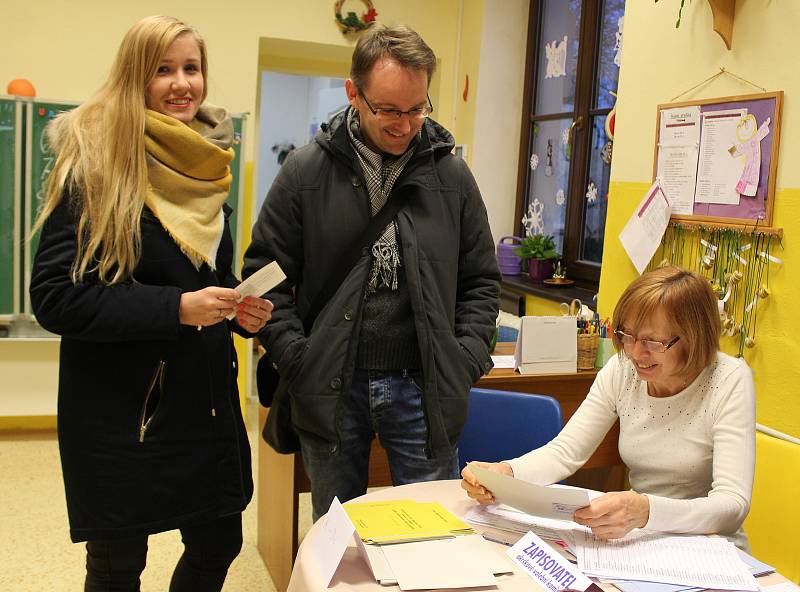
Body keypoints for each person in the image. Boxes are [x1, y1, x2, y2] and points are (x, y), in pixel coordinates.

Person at [29, 15, 272, 591]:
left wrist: (236, 310)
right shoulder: (94, 164)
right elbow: (55, 297)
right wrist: (177, 309)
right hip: (124, 414)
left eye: (191, 68)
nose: (181, 83)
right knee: (117, 566)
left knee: (219, 542)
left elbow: (202, 273)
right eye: (162, 70)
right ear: (134, 77)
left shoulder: (209, 163)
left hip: (205, 402)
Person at [243, 24, 500, 521]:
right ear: (353, 94)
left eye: (417, 108)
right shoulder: (305, 172)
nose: (404, 125)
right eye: (387, 110)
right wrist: (299, 358)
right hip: (333, 385)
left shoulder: (451, 176)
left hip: (423, 385)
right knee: (339, 537)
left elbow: (480, 280)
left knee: (430, 533)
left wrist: (462, 358)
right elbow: (265, 276)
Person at [461, 266, 756, 549]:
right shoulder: (622, 370)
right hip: (639, 540)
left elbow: (732, 505)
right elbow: (565, 452)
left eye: (653, 342)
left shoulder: (728, 380)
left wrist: (645, 510)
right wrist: (506, 473)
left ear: (694, 338)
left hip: (711, 547)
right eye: (628, 335)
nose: (636, 353)